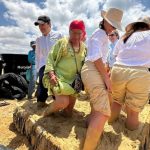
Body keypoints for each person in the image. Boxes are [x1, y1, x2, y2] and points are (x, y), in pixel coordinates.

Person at [81, 8, 123, 150]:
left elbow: (99, 58)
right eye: (111, 23)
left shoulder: (102, 35)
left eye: (115, 25)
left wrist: (105, 73)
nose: (112, 27)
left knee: (96, 106)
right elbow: (95, 57)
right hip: (93, 69)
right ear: (104, 20)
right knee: (104, 113)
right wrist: (106, 78)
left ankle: (89, 129)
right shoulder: (99, 34)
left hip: (94, 69)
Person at [109, 17, 150, 131]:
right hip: (139, 72)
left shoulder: (124, 37)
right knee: (133, 111)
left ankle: (110, 124)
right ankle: (130, 132)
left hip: (118, 69)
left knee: (116, 102)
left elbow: (115, 55)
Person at [42, 20, 87, 117]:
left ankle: (61, 113)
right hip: (60, 79)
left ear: (83, 33)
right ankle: (47, 112)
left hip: (74, 83)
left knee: (68, 113)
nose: (76, 36)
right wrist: (52, 75)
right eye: (73, 33)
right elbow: (50, 58)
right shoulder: (62, 43)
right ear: (69, 32)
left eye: (79, 33)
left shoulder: (84, 47)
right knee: (63, 102)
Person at [34, 15, 63, 107]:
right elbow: (38, 55)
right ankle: (41, 102)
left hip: (57, 65)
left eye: (42, 24)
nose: (41, 27)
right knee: (43, 83)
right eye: (39, 25)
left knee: (57, 83)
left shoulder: (59, 35)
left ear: (49, 24)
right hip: (44, 65)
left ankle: (57, 102)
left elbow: (64, 50)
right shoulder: (38, 39)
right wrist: (38, 69)